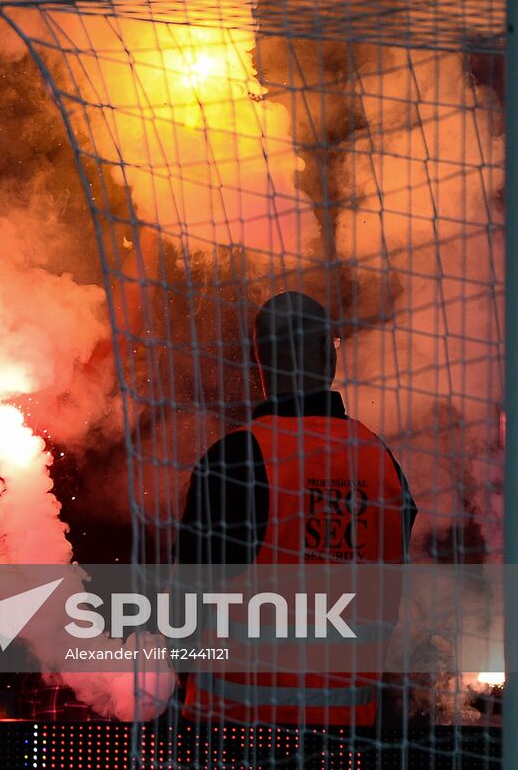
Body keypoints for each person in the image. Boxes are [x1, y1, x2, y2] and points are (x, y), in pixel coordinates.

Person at [175, 292, 416, 727]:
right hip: (347, 739)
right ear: (328, 351)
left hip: (231, 738)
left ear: (258, 359)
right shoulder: (384, 465)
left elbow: (183, 608)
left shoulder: (234, 459)